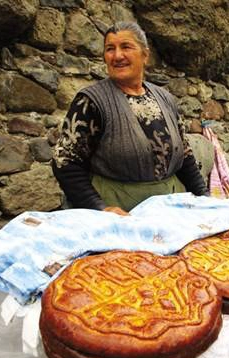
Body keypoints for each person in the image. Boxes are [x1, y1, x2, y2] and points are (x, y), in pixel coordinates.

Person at [52, 22, 207, 215]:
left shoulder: (165, 98)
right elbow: (65, 161)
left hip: (168, 209)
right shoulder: (91, 102)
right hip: (119, 212)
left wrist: (203, 196)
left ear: (145, 55)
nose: (117, 56)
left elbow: (184, 154)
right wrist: (99, 207)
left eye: (126, 47)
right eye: (110, 49)